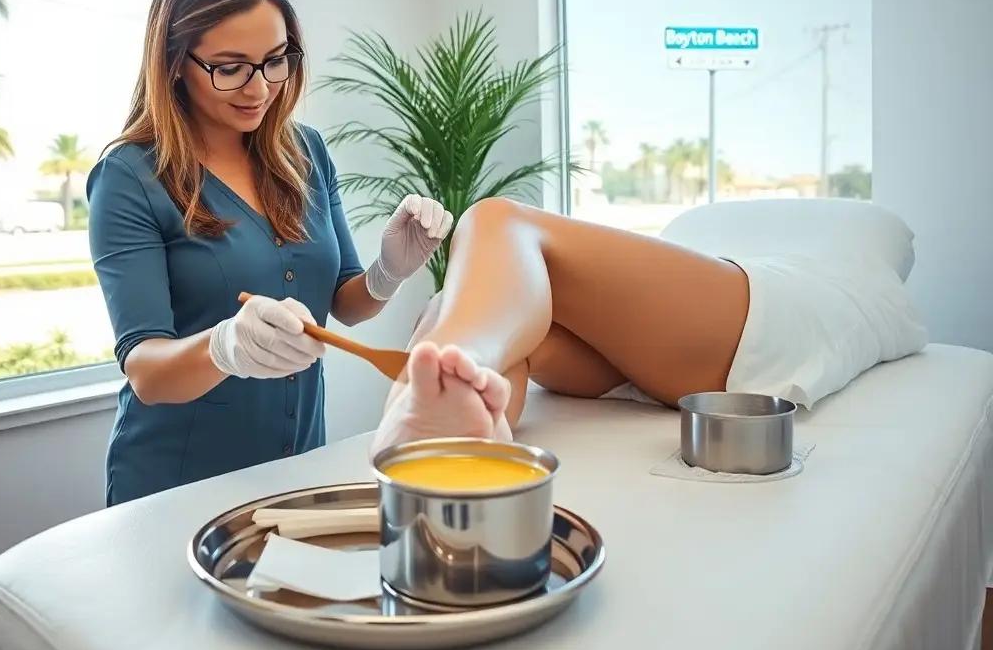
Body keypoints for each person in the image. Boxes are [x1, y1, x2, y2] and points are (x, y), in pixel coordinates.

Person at [87, 0, 453, 506]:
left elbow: (342, 302)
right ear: (175, 62)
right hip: (176, 485)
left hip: (297, 468)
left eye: (276, 60)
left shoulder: (305, 152)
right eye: (230, 68)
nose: (259, 88)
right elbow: (147, 372)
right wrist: (226, 347)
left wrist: (387, 272)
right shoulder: (130, 178)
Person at [370, 196, 930, 457]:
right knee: (489, 311)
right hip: (664, 355)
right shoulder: (687, 271)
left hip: (771, 306)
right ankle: (449, 445)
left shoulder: (836, 262)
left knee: (496, 220)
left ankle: (428, 379)